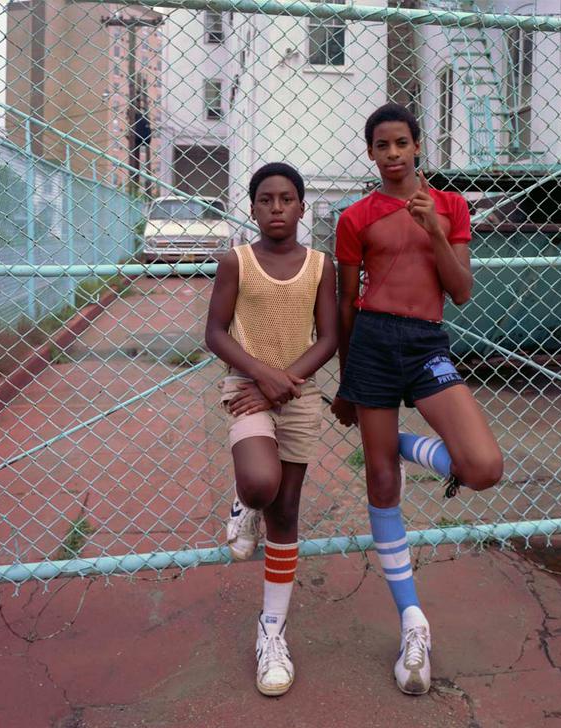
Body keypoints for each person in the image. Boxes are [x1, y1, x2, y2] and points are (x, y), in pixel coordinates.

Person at [331, 103, 504, 695]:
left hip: (427, 342)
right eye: (382, 146)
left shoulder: (451, 207)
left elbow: (461, 292)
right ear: (372, 153)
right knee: (380, 481)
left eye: (403, 143)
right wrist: (345, 379)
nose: (394, 154)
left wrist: (434, 227)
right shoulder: (355, 217)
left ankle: (399, 445)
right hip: (374, 344)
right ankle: (412, 620)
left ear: (419, 145)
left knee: (483, 467)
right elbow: (347, 305)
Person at [205, 162, 337, 696]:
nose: (276, 207)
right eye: (265, 199)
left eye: (286, 199)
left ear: (302, 207)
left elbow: (328, 337)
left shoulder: (320, 265)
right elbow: (214, 332)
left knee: (286, 510)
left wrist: (284, 382)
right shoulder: (236, 262)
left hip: (299, 395)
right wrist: (261, 377)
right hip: (247, 390)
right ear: (253, 207)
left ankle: (271, 633)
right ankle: (242, 503)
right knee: (262, 485)